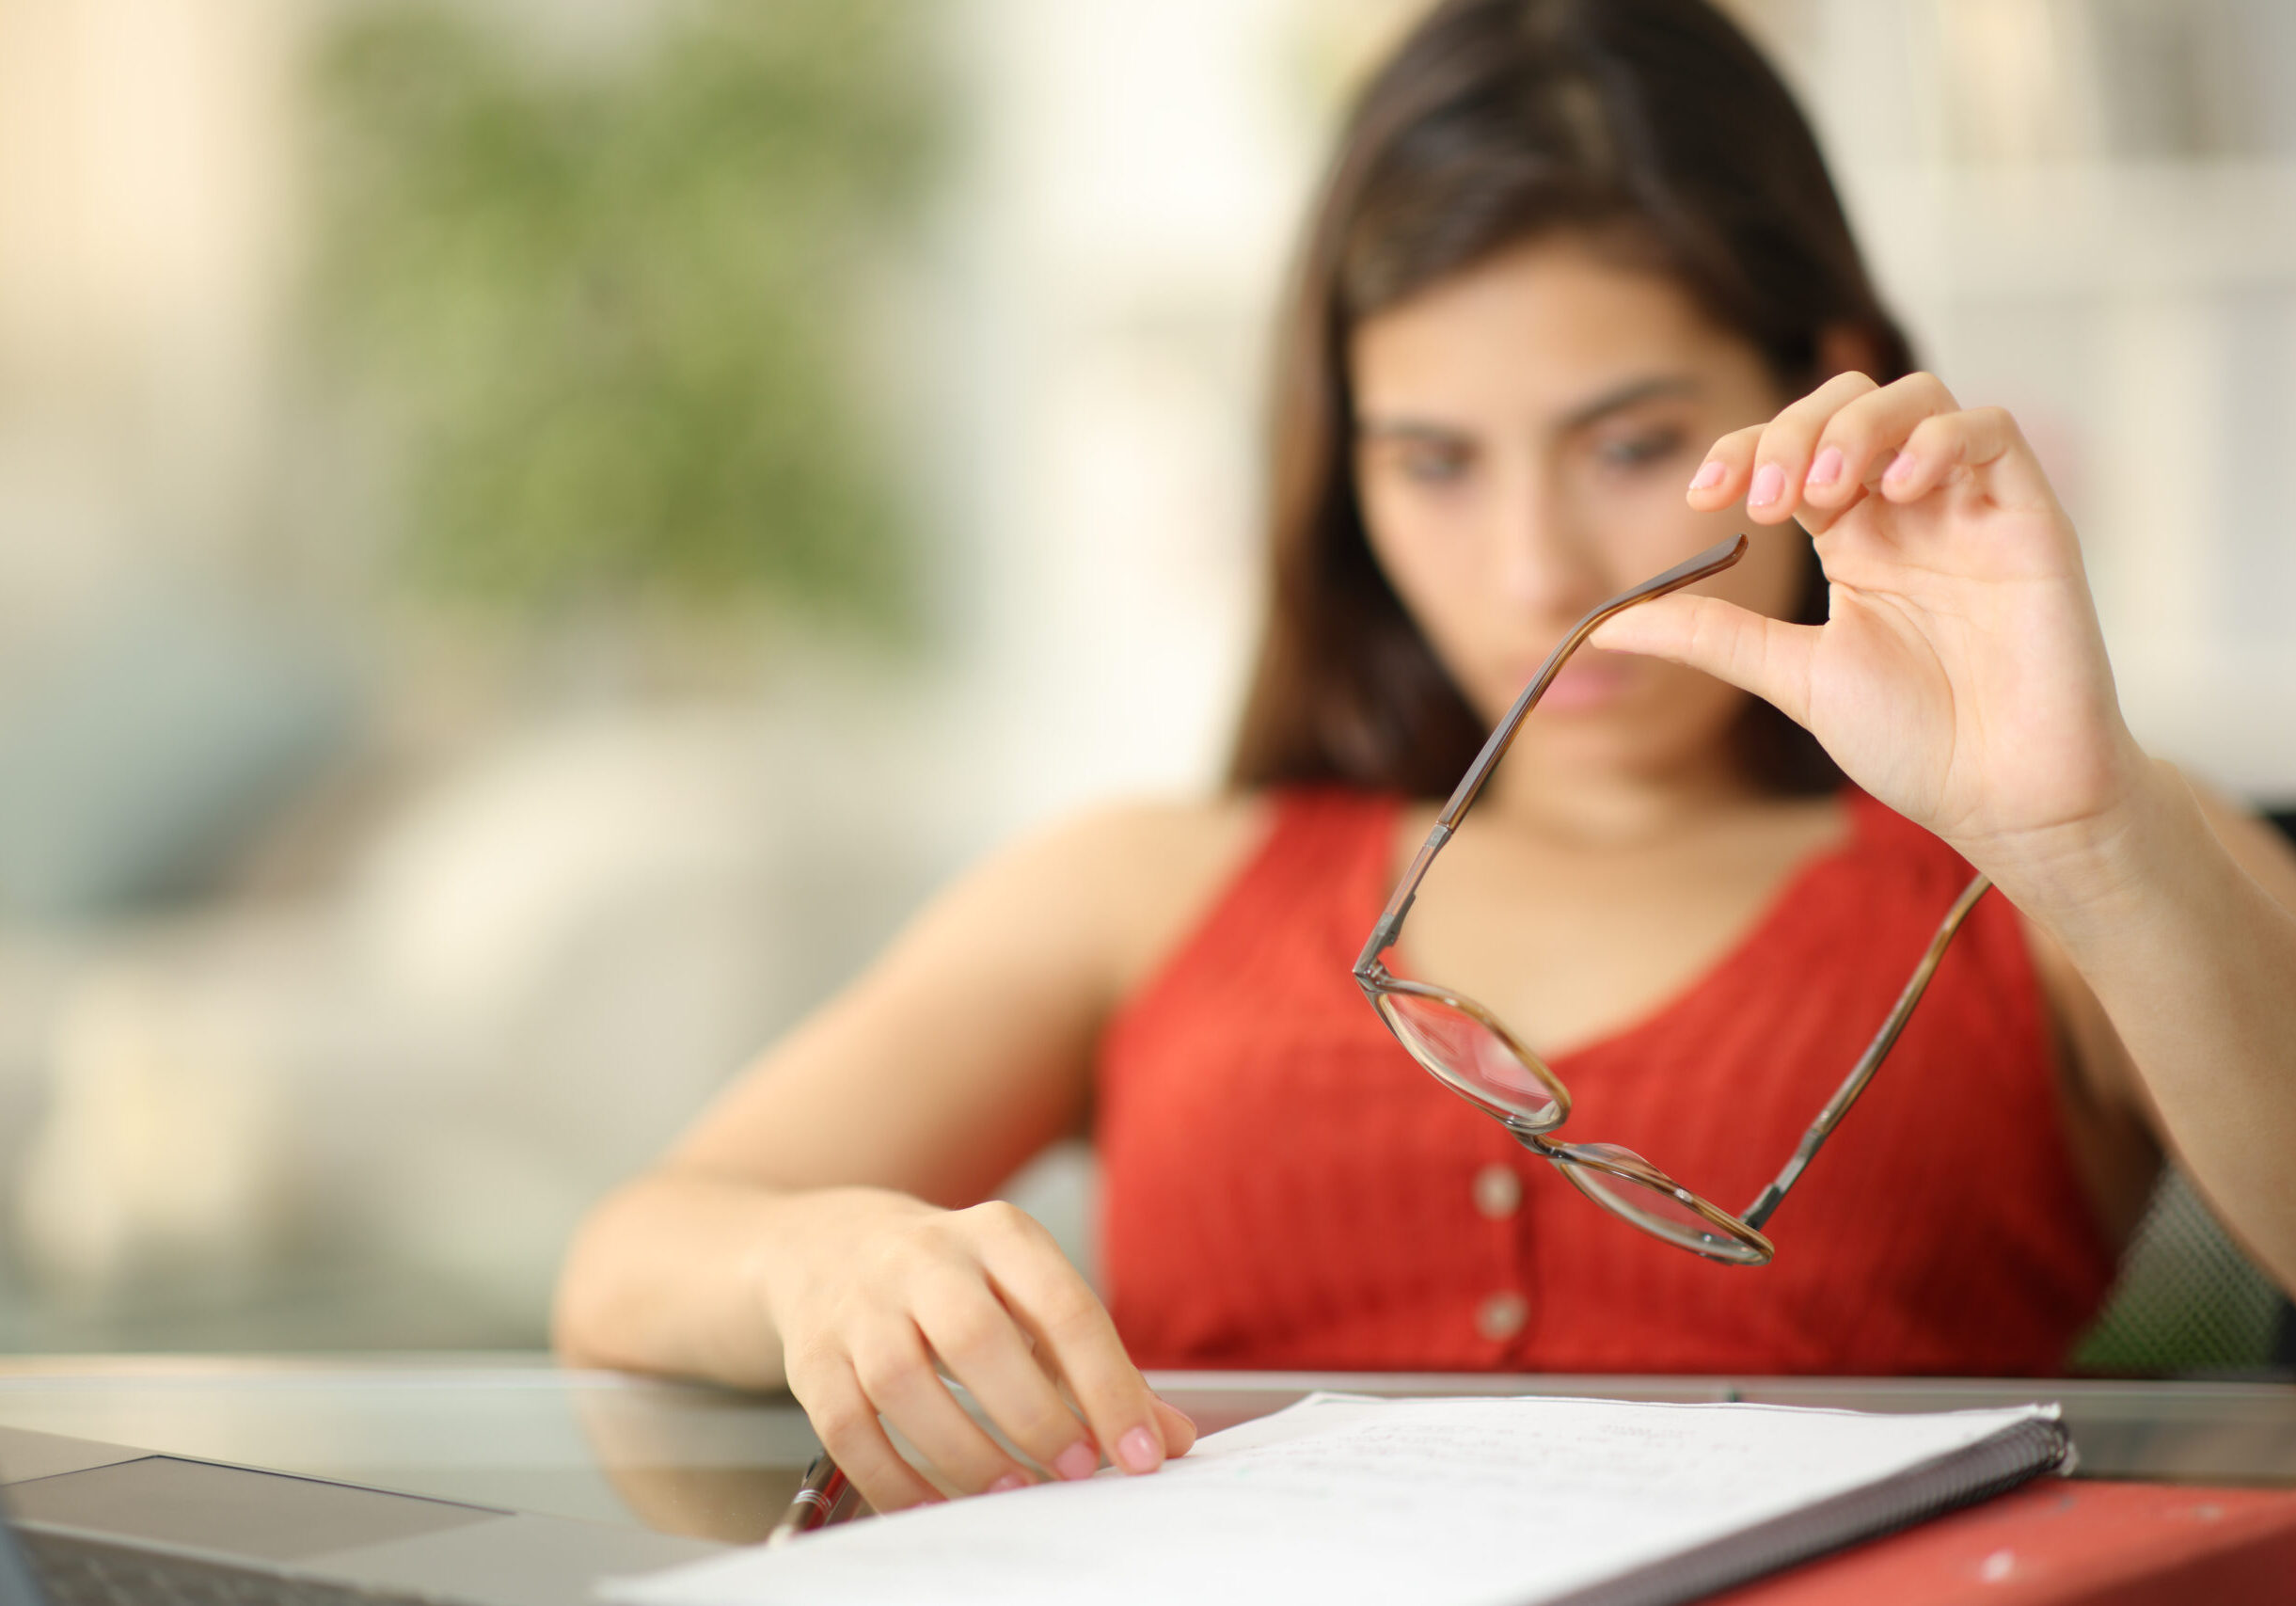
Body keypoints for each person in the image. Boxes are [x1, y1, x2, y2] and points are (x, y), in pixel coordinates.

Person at [553, 0, 2296, 1514]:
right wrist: (820, 1260)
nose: (1532, 570)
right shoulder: (1151, 887)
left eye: (1628, 441)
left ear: (1822, 388)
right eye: (1435, 463)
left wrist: (2084, 834)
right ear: (1345, 470)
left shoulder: (2076, 873)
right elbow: (638, 1256)